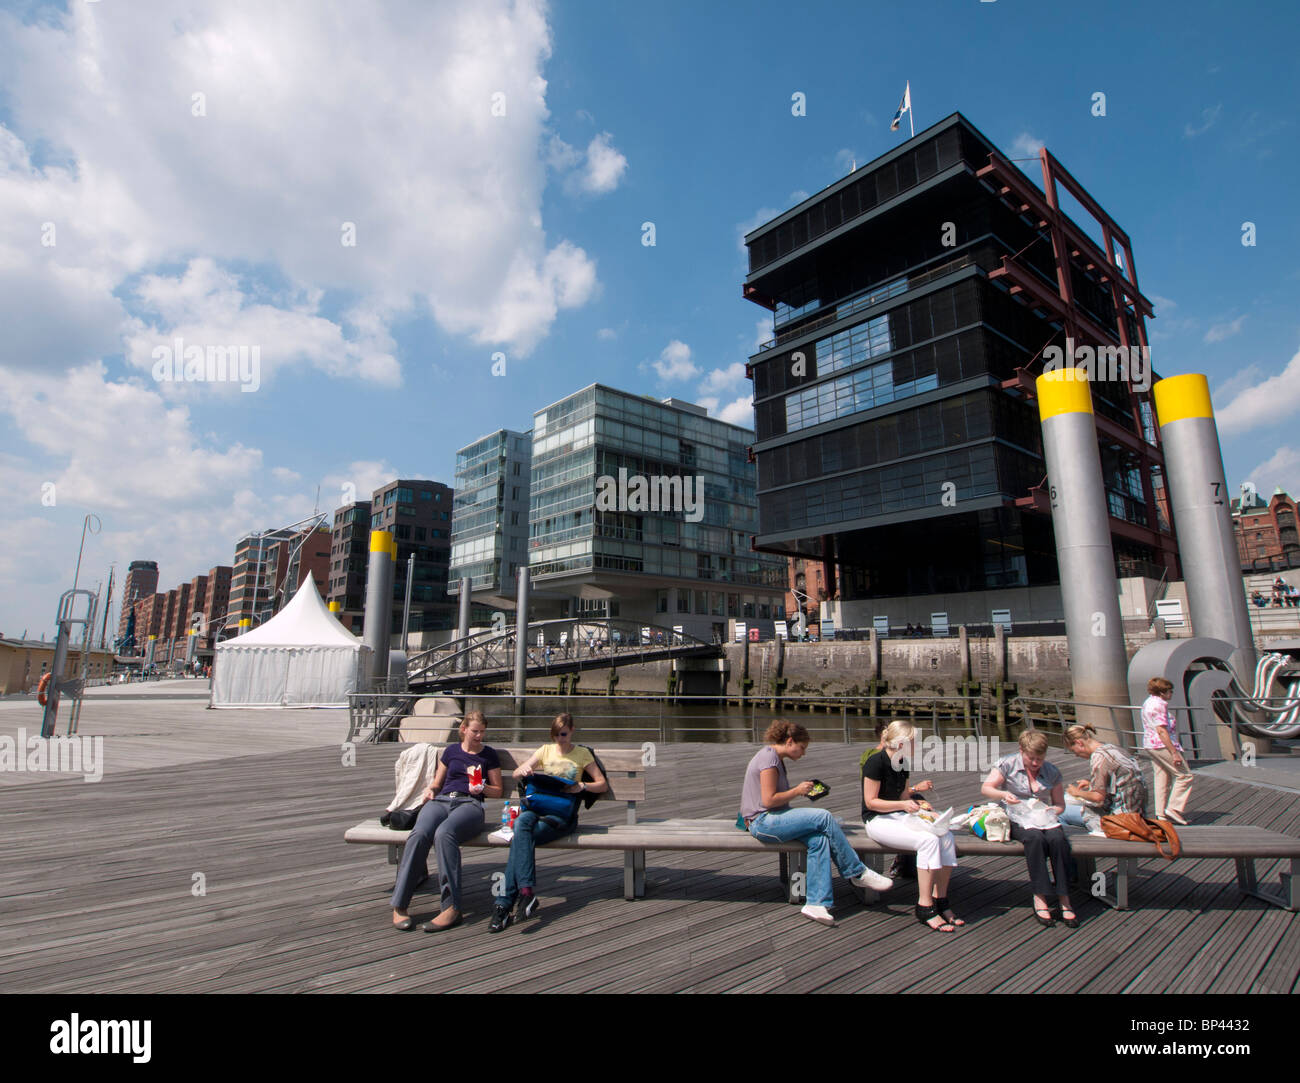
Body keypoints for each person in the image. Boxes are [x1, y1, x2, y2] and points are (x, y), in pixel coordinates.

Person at [742, 718, 892, 926]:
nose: (803, 753)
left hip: (771, 818)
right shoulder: (769, 760)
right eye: (802, 748)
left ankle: (816, 903)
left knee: (819, 839)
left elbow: (773, 799)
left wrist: (797, 793)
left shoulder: (773, 757)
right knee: (823, 816)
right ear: (790, 741)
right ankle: (856, 871)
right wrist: (796, 791)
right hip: (762, 822)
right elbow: (767, 801)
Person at [489, 713, 607, 933]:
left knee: (521, 838)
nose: (559, 740)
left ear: (572, 730)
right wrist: (523, 770)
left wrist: (582, 785)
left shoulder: (582, 754)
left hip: (562, 815)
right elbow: (516, 773)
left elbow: (602, 785)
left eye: (563, 734)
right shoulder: (545, 750)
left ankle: (504, 905)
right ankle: (525, 894)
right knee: (522, 823)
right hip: (539, 807)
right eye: (555, 735)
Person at [391, 711, 504, 932]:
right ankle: (400, 904)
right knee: (419, 834)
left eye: (482, 732)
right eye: (475, 731)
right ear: (464, 730)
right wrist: (431, 791)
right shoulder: (451, 751)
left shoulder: (488, 755)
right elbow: (437, 782)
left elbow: (498, 790)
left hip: (470, 804)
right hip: (441, 801)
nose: (479, 736)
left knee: (444, 834)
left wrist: (482, 788)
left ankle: (451, 907)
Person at [861, 720, 963, 932]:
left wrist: (922, 808)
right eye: (914, 742)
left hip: (897, 815)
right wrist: (903, 804)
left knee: (945, 836)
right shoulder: (875, 763)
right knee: (927, 840)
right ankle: (924, 905)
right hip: (877, 820)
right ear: (901, 744)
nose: (917, 746)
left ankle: (941, 899)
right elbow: (871, 802)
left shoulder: (903, 763)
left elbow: (903, 795)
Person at [982, 730, 1077, 928]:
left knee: (1057, 840)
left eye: (1039, 759)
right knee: (1034, 839)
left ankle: (1064, 897)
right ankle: (1040, 895)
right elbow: (987, 787)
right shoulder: (1007, 764)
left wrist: (1053, 810)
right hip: (1017, 816)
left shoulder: (1051, 771)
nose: (1035, 763)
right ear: (1021, 751)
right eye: (1031, 758)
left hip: (1043, 817)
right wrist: (1003, 794)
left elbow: (1060, 804)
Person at [1061, 723, 1148, 833]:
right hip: (1138, 814)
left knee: (1060, 812)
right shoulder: (1113, 748)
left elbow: (1098, 797)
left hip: (1121, 820)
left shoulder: (1098, 757)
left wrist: (1077, 793)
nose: (1076, 755)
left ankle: (1084, 845)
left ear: (1079, 743)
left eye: (1074, 751)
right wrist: (1090, 784)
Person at [1141, 677, 1192, 825]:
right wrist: (1174, 752)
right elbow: (1162, 730)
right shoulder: (1159, 705)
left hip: (1150, 744)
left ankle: (1160, 813)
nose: (1171, 694)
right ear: (1163, 692)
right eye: (1170, 691)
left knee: (1161, 777)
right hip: (1161, 745)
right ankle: (1174, 809)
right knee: (1184, 775)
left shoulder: (1148, 702)